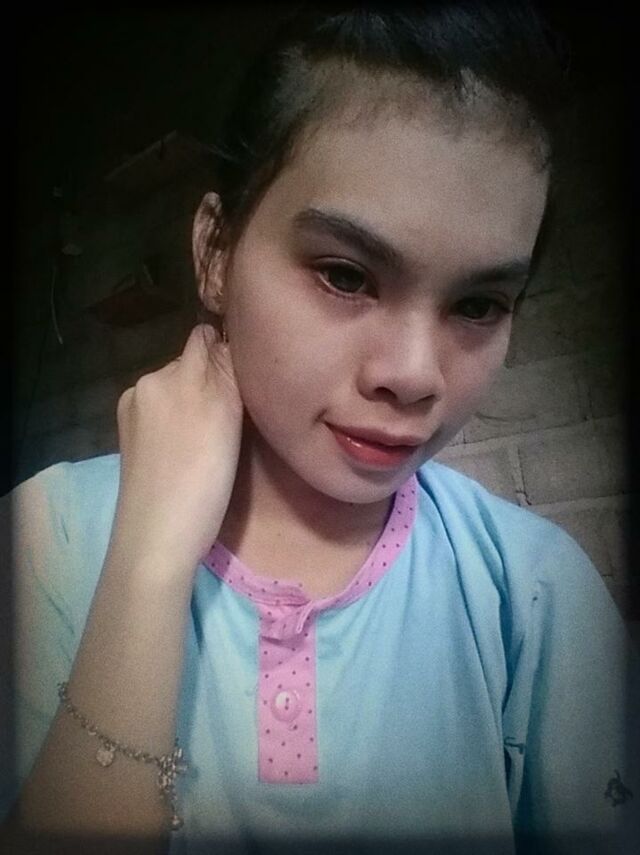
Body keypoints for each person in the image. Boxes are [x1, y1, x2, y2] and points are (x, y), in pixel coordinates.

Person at [1, 3, 638, 854]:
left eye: (480, 304)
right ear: (215, 252)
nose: (413, 372)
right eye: (345, 274)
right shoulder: (44, 538)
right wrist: (148, 565)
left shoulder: (533, 595)